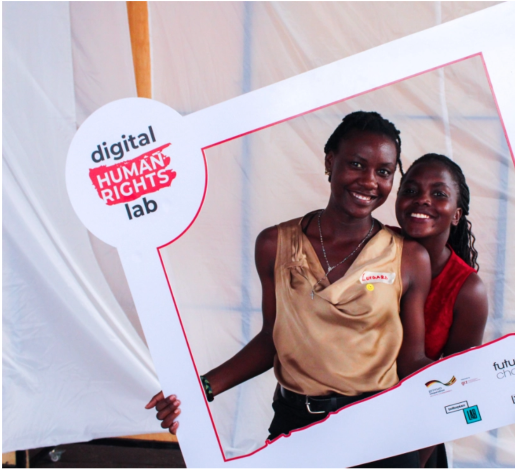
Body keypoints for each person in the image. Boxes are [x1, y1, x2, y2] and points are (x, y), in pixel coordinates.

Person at [147, 111, 432, 467]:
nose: (369, 181)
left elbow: (414, 362)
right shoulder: (275, 244)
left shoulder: (408, 258)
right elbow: (273, 339)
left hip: (378, 429)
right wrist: (200, 390)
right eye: (356, 164)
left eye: (384, 172)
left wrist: (500, 392)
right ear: (330, 162)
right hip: (297, 425)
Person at [394, 153, 515, 467]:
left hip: (413, 441)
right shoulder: (369, 253)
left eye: (439, 194)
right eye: (410, 190)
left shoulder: (466, 290)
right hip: (341, 420)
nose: (421, 200)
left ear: (457, 214)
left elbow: (459, 389)